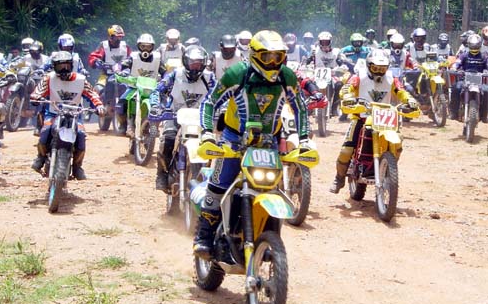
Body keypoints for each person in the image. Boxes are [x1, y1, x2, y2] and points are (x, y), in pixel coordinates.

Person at [193, 30, 311, 259]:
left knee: (273, 188)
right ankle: (204, 238)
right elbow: (209, 102)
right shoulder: (238, 74)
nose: (274, 63)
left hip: (269, 142)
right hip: (234, 138)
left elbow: (301, 107)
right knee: (219, 185)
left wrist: (304, 141)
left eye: (279, 57)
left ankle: (266, 237)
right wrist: (207, 134)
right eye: (268, 57)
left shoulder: (286, 76)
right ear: (255, 55)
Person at [329, 49, 418, 194]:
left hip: (385, 119)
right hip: (362, 117)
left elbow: (402, 91)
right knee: (346, 150)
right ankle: (339, 178)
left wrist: (410, 100)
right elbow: (346, 88)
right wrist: (347, 97)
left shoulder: (392, 79)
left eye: (382, 68)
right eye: (376, 68)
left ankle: (389, 168)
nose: (379, 72)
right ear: (369, 66)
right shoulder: (359, 76)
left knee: (398, 142)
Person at [30, 51, 105, 180]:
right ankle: (41, 157)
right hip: (53, 113)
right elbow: (38, 91)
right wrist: (35, 97)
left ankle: (77, 166)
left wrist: (99, 105)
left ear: (71, 66)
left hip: (75, 115)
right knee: (45, 131)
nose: (64, 69)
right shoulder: (49, 78)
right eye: (60, 66)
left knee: (81, 135)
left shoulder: (81, 80)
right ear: (54, 67)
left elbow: (92, 93)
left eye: (66, 66)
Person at [151, 45, 216, 191]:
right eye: (193, 63)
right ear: (186, 63)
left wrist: (223, 109)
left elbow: (219, 94)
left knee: (210, 144)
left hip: (200, 119)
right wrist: (156, 106)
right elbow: (157, 90)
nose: (195, 67)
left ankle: (207, 178)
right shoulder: (175, 75)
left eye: (199, 63)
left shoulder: (210, 77)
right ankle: (162, 174)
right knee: (168, 139)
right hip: (174, 115)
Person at [118, 33, 164, 137]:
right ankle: (125, 124)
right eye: (143, 46)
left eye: (148, 47)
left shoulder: (157, 59)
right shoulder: (133, 57)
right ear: (139, 46)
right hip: (134, 87)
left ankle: (155, 126)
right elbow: (123, 65)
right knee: (122, 102)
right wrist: (120, 70)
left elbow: (165, 72)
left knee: (162, 105)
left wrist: (166, 79)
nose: (146, 49)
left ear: (152, 47)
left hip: (153, 89)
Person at [450, 34, 488, 121]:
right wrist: (454, 68)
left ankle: (483, 115)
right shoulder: (464, 55)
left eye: (476, 45)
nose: (474, 47)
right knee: (456, 87)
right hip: (464, 80)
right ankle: (454, 113)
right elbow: (457, 63)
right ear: (469, 45)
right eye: (472, 45)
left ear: (479, 45)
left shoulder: (484, 56)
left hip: (479, 82)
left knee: (486, 90)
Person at [88, 24, 132, 96]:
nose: (118, 40)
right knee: (97, 89)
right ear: (110, 37)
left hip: (123, 76)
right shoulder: (104, 45)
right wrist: (96, 62)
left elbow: (131, 58)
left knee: (131, 89)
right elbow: (94, 56)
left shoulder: (125, 46)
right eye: (116, 37)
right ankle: (96, 106)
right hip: (106, 75)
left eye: (120, 37)